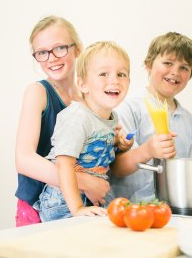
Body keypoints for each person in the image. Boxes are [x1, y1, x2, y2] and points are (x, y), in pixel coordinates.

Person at [15, 16, 111, 226]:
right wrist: (86, 183)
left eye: (59, 48)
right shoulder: (38, 92)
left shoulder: (89, 100)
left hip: (82, 206)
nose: (51, 58)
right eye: (42, 52)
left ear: (77, 49)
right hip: (38, 207)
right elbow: (24, 160)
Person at [37, 41, 131, 222]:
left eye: (121, 74)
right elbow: (64, 165)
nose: (114, 80)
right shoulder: (77, 118)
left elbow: (97, 142)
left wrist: (118, 142)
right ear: (82, 84)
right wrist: (77, 207)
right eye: (103, 73)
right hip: (63, 201)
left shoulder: (112, 117)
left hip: (88, 199)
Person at [109, 32, 192, 203]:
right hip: (129, 209)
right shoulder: (128, 108)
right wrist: (147, 150)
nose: (175, 72)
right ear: (148, 65)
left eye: (184, 68)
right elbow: (117, 168)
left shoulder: (188, 119)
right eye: (168, 63)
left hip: (169, 210)